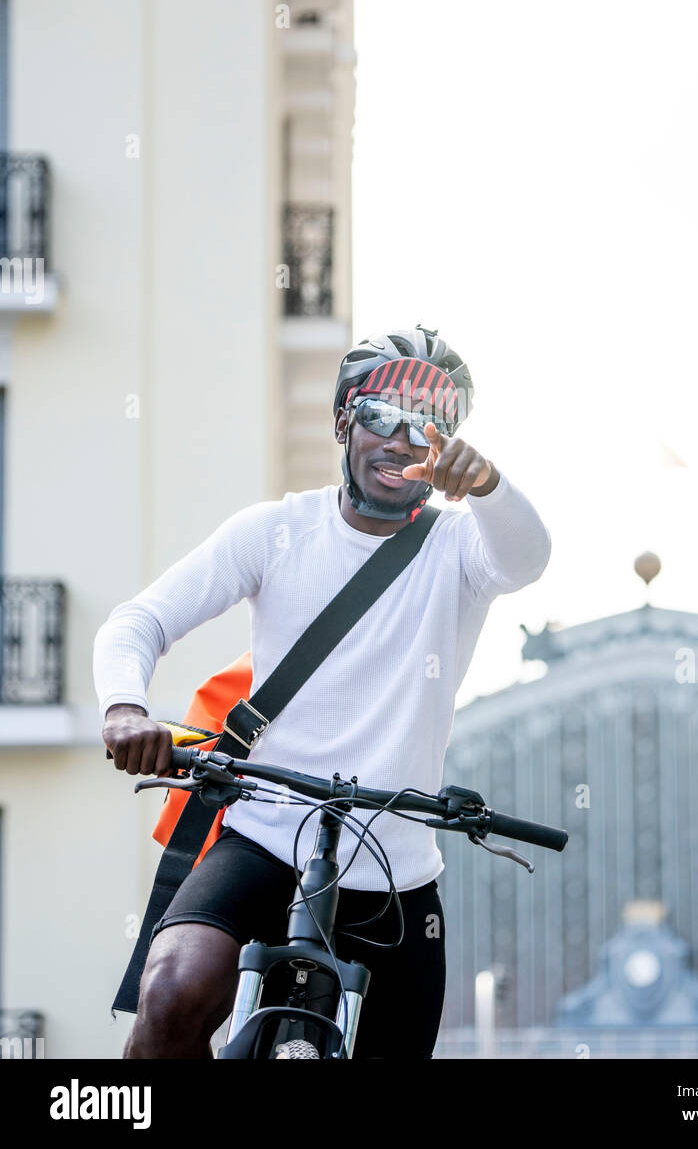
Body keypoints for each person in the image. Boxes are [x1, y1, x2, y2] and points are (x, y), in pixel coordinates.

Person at [95, 325, 551, 1059]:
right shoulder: (276, 532)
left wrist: (490, 488)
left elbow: (527, 557)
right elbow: (138, 621)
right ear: (343, 421)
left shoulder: (461, 549)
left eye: (427, 424)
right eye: (379, 418)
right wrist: (124, 709)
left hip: (397, 871)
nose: (402, 441)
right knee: (173, 995)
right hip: (266, 836)